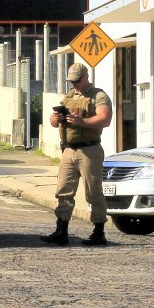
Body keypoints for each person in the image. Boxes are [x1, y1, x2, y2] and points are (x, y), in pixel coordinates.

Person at [40, 63, 113, 246]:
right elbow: (53, 122)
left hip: (89, 150)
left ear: (85, 78)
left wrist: (82, 121)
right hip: (68, 150)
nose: (74, 85)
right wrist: (54, 119)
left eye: (77, 81)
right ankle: (61, 230)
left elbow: (105, 119)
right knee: (63, 191)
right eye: (71, 82)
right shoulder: (70, 96)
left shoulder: (99, 96)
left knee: (93, 191)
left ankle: (98, 232)